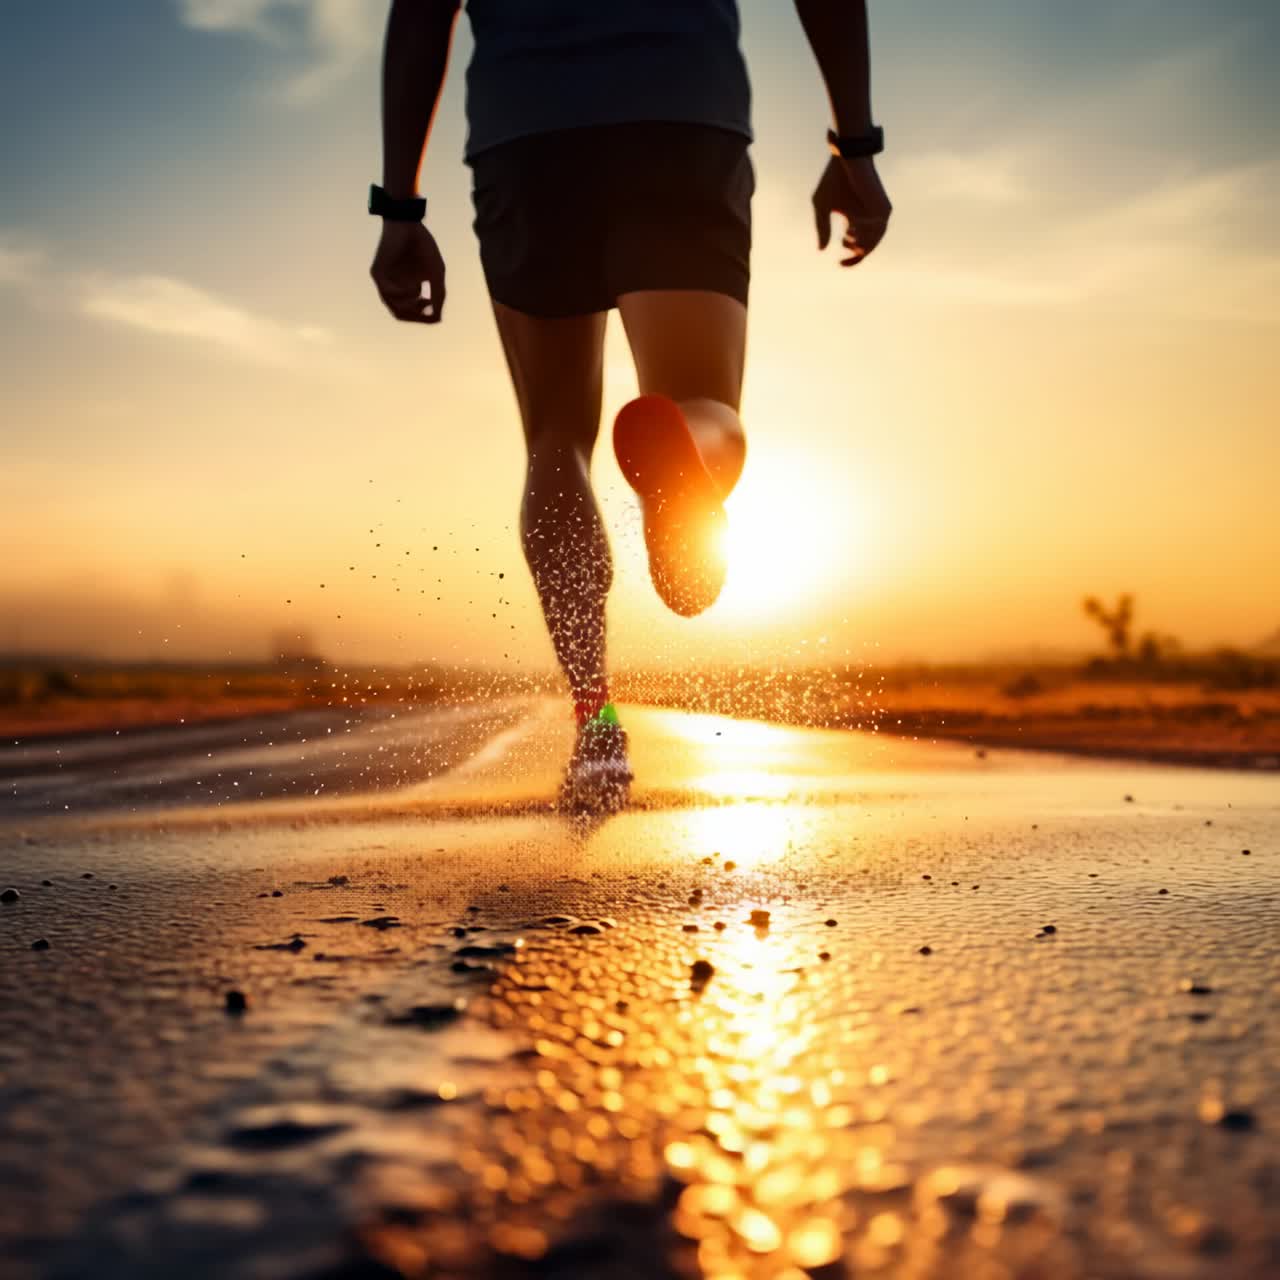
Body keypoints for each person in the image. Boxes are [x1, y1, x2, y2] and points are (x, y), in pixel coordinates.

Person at [370, 0, 892, 810]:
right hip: (679, 111)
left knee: (555, 438)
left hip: (526, 134)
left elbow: (419, 14)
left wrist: (401, 206)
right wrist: (853, 145)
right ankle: (684, 443)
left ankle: (597, 724)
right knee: (701, 395)